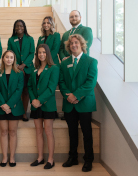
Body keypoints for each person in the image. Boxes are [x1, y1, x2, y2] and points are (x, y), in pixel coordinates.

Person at [58, 34, 98, 172]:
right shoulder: (64, 62)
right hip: (69, 103)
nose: (73, 45)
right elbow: (61, 82)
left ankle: (88, 160)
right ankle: (73, 158)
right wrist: (67, 95)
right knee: (72, 132)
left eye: (76, 43)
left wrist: (76, 95)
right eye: (71, 44)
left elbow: (90, 82)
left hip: (84, 103)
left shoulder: (91, 61)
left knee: (87, 133)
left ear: (81, 44)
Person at [28, 44, 59, 169]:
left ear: (47, 54)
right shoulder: (34, 69)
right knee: (39, 132)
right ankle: (40, 158)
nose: (41, 55)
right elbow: (30, 86)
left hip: (47, 105)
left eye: (43, 52)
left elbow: (51, 88)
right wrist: (33, 101)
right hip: (36, 105)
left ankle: (51, 159)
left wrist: (39, 100)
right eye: (39, 52)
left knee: (48, 132)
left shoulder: (54, 68)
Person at [0, 50, 25, 167]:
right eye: (7, 57)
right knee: (3, 132)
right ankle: (4, 157)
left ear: (14, 59)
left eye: (11, 57)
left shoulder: (19, 73)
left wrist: (9, 105)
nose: (9, 59)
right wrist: (3, 105)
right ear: (3, 58)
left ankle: (12, 157)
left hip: (14, 107)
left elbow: (19, 90)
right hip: (1, 107)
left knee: (12, 132)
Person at [7, 19, 35, 121]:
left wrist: (23, 65)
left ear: (24, 27)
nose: (19, 28)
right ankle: (16, 111)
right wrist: (17, 66)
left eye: (21, 26)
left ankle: (24, 113)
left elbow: (32, 53)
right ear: (14, 28)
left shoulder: (30, 39)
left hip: (27, 69)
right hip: (15, 69)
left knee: (26, 91)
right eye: (17, 26)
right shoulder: (11, 40)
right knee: (16, 91)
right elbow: (9, 53)